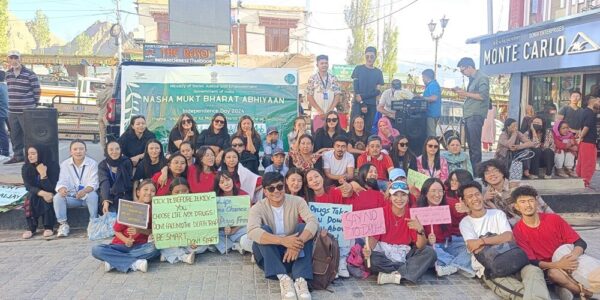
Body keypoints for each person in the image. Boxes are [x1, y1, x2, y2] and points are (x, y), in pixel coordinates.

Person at [458, 181, 550, 300]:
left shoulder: (497, 214)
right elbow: (473, 246)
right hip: (491, 269)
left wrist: (482, 241)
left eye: (477, 194)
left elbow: (508, 237)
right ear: (464, 202)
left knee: (535, 272)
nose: (475, 198)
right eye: (470, 197)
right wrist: (497, 239)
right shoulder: (466, 223)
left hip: (515, 260)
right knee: (519, 293)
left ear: (482, 195)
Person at [511, 186, 595, 299]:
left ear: (537, 202)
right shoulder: (518, 230)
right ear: (517, 206)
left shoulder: (553, 219)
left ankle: (567, 288)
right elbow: (532, 261)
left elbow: (580, 242)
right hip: (550, 267)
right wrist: (558, 265)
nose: (528, 205)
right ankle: (585, 293)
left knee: (593, 272)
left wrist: (572, 257)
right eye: (523, 202)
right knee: (554, 274)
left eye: (531, 201)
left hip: (568, 257)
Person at [247, 172, 318, 300]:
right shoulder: (258, 207)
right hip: (269, 258)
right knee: (263, 230)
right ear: (265, 191)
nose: (276, 191)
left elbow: (313, 222)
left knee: (303, 228)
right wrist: (283, 241)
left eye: (280, 187)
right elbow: (252, 231)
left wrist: (296, 244)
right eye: (271, 188)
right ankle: (284, 279)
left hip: (292, 255)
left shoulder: (297, 201)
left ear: (284, 187)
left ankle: (300, 280)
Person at [363, 180, 436, 285]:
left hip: (404, 253)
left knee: (430, 253)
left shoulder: (412, 214)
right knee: (371, 259)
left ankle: (393, 276)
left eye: (403, 195)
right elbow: (373, 242)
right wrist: (367, 250)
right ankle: (406, 273)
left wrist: (420, 230)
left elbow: (420, 246)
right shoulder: (381, 212)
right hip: (384, 253)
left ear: (408, 197)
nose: (399, 199)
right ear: (390, 197)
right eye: (395, 195)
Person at [91, 179, 160, 273]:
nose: (149, 193)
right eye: (146, 189)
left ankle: (113, 261)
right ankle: (134, 263)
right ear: (138, 192)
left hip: (139, 247)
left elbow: (152, 231)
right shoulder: (128, 208)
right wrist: (126, 240)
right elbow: (116, 230)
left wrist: (139, 230)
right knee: (96, 249)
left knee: (155, 249)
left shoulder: (153, 210)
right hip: (120, 246)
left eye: (152, 191)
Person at [417, 178, 473, 278]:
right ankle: (458, 265)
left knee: (472, 249)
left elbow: (470, 219)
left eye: (440, 191)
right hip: (431, 246)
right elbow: (416, 238)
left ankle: (452, 265)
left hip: (449, 243)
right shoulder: (417, 208)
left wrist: (467, 210)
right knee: (429, 252)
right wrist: (426, 239)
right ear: (425, 193)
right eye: (433, 191)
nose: (437, 195)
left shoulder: (450, 203)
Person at [478, 159, 553, 225]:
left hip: (536, 224)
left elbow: (542, 206)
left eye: (495, 171)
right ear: (484, 178)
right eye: (487, 173)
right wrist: (487, 202)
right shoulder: (487, 195)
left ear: (502, 173)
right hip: (512, 230)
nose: (492, 174)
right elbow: (498, 220)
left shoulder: (519, 186)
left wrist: (554, 221)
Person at [53, 140, 99, 237]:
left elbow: (94, 183)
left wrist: (84, 191)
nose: (78, 151)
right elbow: (62, 181)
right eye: (75, 149)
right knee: (58, 197)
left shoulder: (92, 164)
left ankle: (93, 222)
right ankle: (63, 224)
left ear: (85, 150)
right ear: (71, 152)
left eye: (81, 149)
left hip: (87, 198)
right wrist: (62, 189)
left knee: (93, 195)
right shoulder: (65, 164)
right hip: (72, 198)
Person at [4, 50, 41, 165]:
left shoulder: (30, 73)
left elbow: (37, 90)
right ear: (9, 60)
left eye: (16, 58)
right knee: (14, 135)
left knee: (29, 135)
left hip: (27, 111)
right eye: (11, 58)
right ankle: (18, 156)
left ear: (20, 59)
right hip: (12, 111)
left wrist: (32, 105)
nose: (14, 61)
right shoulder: (8, 74)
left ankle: (31, 157)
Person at [455, 57, 489, 168]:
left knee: (474, 146)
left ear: (469, 67)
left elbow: (482, 96)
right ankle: (473, 169)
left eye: (463, 70)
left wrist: (464, 93)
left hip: (475, 115)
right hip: (470, 115)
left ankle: (477, 171)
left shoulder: (481, 77)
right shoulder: (473, 79)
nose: (462, 73)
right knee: (471, 145)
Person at [159, 177, 200, 265]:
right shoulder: (164, 206)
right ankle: (184, 257)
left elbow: (199, 226)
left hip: (190, 242)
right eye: (177, 192)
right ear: (171, 193)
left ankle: (169, 255)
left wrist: (195, 239)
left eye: (184, 191)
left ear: (189, 190)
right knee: (161, 243)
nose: (181, 194)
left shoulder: (196, 204)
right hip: (174, 241)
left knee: (203, 245)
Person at [21, 145, 59, 239]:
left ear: (41, 154)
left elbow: (51, 188)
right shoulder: (26, 167)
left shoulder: (53, 166)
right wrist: (42, 193)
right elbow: (28, 186)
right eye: (28, 154)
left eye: (33, 154)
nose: (30, 156)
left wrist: (43, 175)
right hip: (37, 193)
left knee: (47, 197)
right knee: (31, 196)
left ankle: (48, 226)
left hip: (50, 192)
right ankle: (31, 227)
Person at [214, 170, 249, 254]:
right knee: (213, 235)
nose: (226, 184)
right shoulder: (217, 199)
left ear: (232, 180)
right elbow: (216, 219)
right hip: (223, 231)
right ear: (218, 185)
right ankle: (235, 245)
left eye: (228, 180)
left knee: (249, 228)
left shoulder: (243, 195)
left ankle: (231, 244)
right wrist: (223, 226)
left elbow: (248, 216)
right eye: (222, 182)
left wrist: (234, 229)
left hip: (240, 228)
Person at [351, 47, 384, 133]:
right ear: (365, 56)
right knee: (355, 129)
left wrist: (363, 96)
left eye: (371, 57)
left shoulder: (378, 72)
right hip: (358, 104)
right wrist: (362, 103)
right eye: (367, 56)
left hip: (372, 106)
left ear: (375, 57)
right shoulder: (358, 69)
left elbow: (377, 92)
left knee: (369, 130)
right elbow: (356, 90)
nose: (369, 59)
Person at [305, 55, 342, 132]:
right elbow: (309, 96)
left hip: (331, 114)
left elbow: (337, 95)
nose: (324, 65)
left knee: (333, 136)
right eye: (322, 63)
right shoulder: (312, 79)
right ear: (317, 65)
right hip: (317, 114)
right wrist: (319, 110)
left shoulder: (333, 78)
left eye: (326, 63)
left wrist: (330, 110)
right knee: (317, 137)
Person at [98, 141, 133, 214]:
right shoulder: (103, 165)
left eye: (117, 149)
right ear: (106, 151)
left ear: (120, 150)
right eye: (111, 149)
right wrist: (106, 200)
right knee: (105, 209)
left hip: (124, 193)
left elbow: (127, 182)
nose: (114, 152)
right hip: (107, 193)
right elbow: (104, 182)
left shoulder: (126, 162)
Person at [576, 97, 599, 187]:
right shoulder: (591, 113)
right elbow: (586, 126)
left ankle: (580, 181)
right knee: (589, 163)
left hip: (585, 142)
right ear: (592, 102)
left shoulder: (584, 111)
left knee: (582, 162)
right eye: (598, 101)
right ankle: (585, 182)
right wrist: (581, 137)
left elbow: (582, 126)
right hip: (588, 142)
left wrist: (580, 137)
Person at [421, 69, 442, 137]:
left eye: (423, 77)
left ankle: (433, 146)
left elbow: (434, 98)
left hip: (432, 114)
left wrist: (421, 98)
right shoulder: (431, 85)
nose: (423, 79)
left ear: (427, 77)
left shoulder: (433, 85)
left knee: (431, 135)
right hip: (430, 114)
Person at [97, 77, 114, 149]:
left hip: (100, 115)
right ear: (112, 84)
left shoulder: (100, 93)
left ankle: (104, 149)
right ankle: (110, 148)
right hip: (109, 116)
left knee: (102, 134)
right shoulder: (113, 92)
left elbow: (98, 105)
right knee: (110, 133)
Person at [0, 70, 9, 161]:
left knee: (2, 133)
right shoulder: (5, 86)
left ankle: (5, 151)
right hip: (7, 112)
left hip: (0, 113)